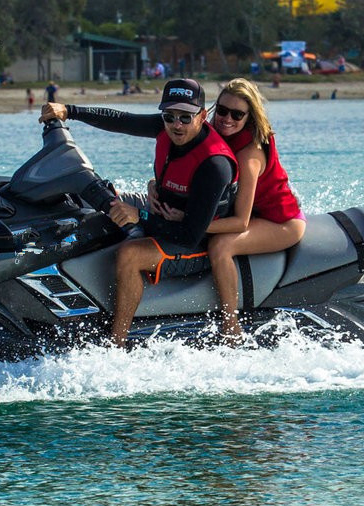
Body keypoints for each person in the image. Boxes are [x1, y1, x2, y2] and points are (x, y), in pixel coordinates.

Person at [40, 79, 237, 346]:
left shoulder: (214, 164)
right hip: (163, 215)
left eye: (185, 117)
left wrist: (139, 216)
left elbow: (190, 235)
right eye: (169, 116)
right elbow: (121, 120)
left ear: (202, 116)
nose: (176, 124)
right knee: (93, 200)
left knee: (129, 256)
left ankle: (116, 344)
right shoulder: (166, 128)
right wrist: (69, 111)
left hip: (196, 241)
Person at [150, 78, 305, 341]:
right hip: (256, 215)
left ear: (250, 117)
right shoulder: (207, 133)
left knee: (221, 246)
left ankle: (230, 326)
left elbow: (240, 223)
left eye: (237, 114)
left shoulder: (249, 155)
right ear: (211, 110)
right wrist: (155, 184)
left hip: (281, 222)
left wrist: (189, 221)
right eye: (221, 110)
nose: (226, 119)